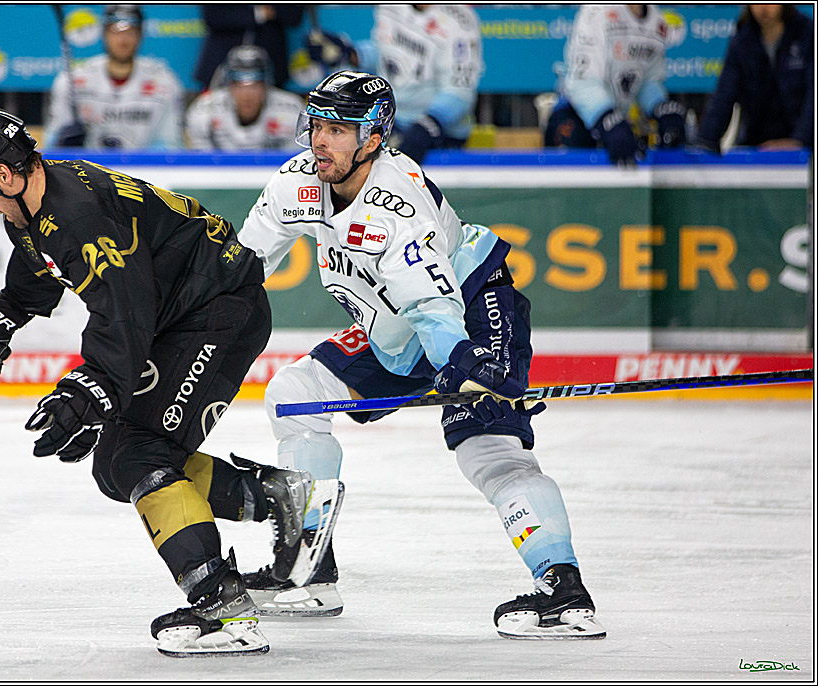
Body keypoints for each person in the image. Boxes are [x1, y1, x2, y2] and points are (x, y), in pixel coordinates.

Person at [0, 107, 341, 656]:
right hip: (183, 314)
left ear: (5, 176)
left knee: (137, 454)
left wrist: (93, 388)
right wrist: (2, 315)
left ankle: (221, 605)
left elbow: (124, 312)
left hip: (215, 313)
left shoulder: (77, 214)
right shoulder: (40, 202)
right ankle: (286, 501)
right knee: (116, 464)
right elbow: (43, 266)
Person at [235, 70, 605, 639]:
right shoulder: (298, 183)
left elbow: (433, 305)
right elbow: (243, 265)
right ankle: (307, 567)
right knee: (293, 396)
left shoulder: (396, 203)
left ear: (374, 138)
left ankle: (562, 587)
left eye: (339, 129)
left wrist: (460, 361)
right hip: (392, 328)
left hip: (472, 307)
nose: (320, 141)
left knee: (487, 448)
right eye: (317, 125)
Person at [316, 5, 483, 164]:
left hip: (440, 132)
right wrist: (352, 54)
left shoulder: (461, 20)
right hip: (391, 120)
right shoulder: (389, 6)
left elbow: (460, 92)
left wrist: (425, 127)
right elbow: (384, 52)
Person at [543, 5, 686, 166]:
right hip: (575, 115)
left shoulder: (656, 19)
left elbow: (646, 81)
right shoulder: (597, 11)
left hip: (618, 123)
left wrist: (661, 107)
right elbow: (581, 82)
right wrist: (608, 121)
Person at [44, 5, 184, 149]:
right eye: (115, 31)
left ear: (141, 35)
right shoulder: (71, 81)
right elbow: (51, 144)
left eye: (130, 32)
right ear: (104, 33)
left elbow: (171, 146)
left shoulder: (164, 83)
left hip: (142, 169)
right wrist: (63, 143)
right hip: (86, 168)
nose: (123, 40)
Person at [695, 5, 813, 153]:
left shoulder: (807, 33)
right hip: (757, 145)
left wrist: (799, 141)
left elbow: (813, 95)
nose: (763, 7)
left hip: (806, 146)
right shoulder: (742, 40)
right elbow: (723, 96)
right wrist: (703, 144)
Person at [185, 45, 303, 150]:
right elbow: (201, 165)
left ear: (267, 86)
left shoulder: (293, 110)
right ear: (228, 86)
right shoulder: (204, 110)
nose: (247, 95)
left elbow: (295, 164)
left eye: (255, 85)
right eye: (239, 85)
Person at [193, 5, 305, 90]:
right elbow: (213, 16)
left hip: (272, 68)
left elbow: (294, 16)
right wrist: (258, 14)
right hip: (221, 66)